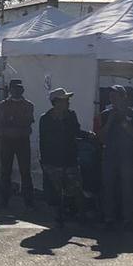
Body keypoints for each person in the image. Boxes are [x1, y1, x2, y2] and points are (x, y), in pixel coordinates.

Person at [38, 88, 84, 225]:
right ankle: (59, 214)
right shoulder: (45, 119)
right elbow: (43, 140)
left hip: (69, 157)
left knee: (74, 188)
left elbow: (76, 131)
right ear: (56, 102)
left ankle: (77, 214)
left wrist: (88, 135)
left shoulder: (71, 115)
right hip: (52, 159)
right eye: (65, 100)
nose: (68, 102)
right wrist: (44, 159)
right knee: (55, 189)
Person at [98, 85, 133, 227]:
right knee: (108, 186)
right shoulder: (105, 114)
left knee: (127, 187)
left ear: (124, 97)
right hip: (110, 154)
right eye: (111, 97)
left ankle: (128, 217)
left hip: (127, 155)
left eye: (116, 96)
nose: (113, 100)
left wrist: (123, 121)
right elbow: (101, 137)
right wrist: (110, 120)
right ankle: (109, 216)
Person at [0, 79, 36, 210]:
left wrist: (12, 120)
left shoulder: (28, 104)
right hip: (8, 139)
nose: (17, 91)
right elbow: (1, 121)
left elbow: (27, 121)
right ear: (10, 90)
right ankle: (4, 199)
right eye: (14, 88)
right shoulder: (4, 104)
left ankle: (29, 200)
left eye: (19, 88)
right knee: (5, 171)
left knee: (25, 171)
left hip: (21, 139)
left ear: (22, 90)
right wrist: (16, 120)